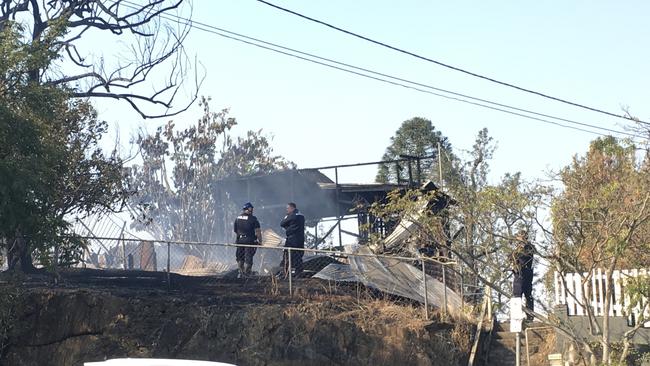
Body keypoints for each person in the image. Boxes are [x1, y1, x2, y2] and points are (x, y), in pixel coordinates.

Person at [234, 202, 262, 278]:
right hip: (249, 240)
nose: (252, 211)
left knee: (240, 256)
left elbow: (236, 230)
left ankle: (240, 272)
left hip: (240, 240)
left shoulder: (238, 218)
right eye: (251, 209)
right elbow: (258, 231)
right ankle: (247, 273)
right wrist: (260, 241)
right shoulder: (253, 219)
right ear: (247, 209)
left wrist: (237, 239)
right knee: (249, 257)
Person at [511, 229, 535, 317]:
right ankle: (517, 315)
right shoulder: (518, 248)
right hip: (519, 272)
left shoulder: (528, 247)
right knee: (517, 294)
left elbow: (524, 257)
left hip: (524, 272)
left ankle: (529, 316)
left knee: (526, 294)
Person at [280, 202, 305, 278]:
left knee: (287, 256)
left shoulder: (291, 216)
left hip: (292, 239)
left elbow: (282, 223)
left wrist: (288, 228)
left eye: (287, 208)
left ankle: (286, 273)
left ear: (292, 208)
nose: (287, 210)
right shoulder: (301, 216)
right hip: (300, 239)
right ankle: (298, 273)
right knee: (298, 256)